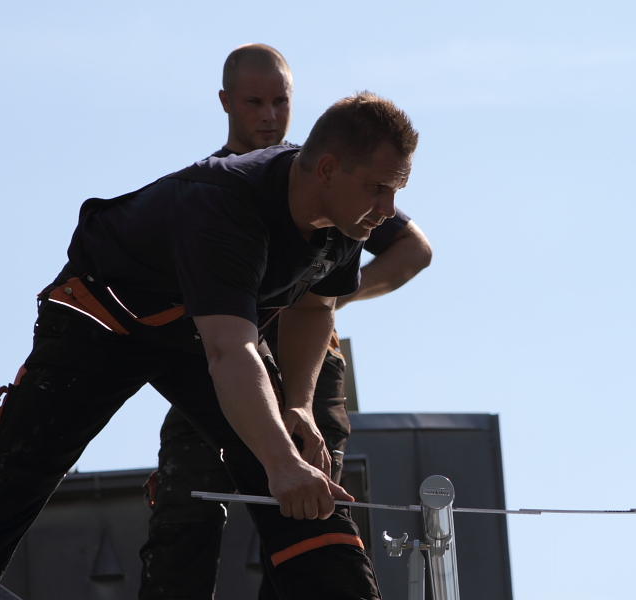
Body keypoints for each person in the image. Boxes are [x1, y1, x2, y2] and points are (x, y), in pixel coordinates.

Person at [0, 89, 419, 600]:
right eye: (379, 188)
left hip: (199, 330)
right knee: (13, 481)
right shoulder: (226, 206)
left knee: (301, 477)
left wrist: (298, 407)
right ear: (327, 169)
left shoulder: (348, 220)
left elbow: (313, 306)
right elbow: (229, 352)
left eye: (396, 191)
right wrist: (280, 461)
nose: (388, 207)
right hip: (103, 319)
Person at [139, 44, 433, 600]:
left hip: (305, 368)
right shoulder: (209, 190)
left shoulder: (336, 185)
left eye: (281, 101)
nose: (270, 116)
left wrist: (322, 296)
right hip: (217, 364)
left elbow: (414, 250)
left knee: (306, 512)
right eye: (254, 102)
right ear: (226, 102)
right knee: (186, 512)